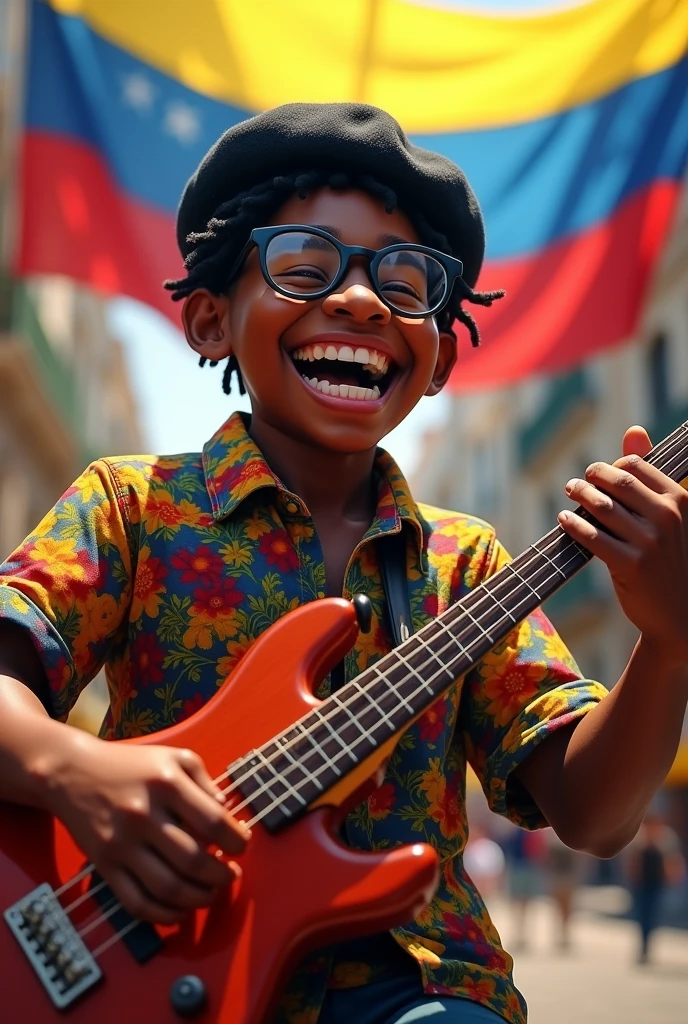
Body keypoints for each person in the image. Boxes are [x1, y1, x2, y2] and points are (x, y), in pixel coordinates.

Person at [1, 102, 687, 1024]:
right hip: (154, 969)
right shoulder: (133, 506)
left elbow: (593, 818)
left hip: (420, 987)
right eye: (305, 265)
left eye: (408, 284)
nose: (362, 299)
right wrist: (67, 769)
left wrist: (669, 644)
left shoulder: (468, 560)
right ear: (210, 319)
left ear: (439, 360)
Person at [627, 812, 685, 964]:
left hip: (657, 884)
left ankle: (648, 946)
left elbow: (673, 860)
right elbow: (632, 861)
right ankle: (643, 947)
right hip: (641, 885)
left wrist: (673, 878)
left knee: (652, 916)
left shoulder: (666, 839)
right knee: (642, 916)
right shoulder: (639, 838)